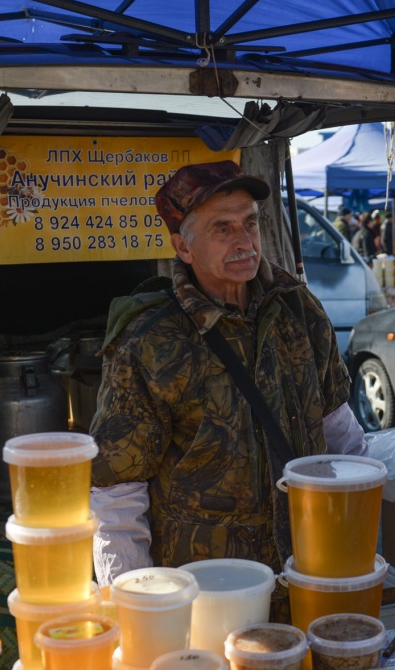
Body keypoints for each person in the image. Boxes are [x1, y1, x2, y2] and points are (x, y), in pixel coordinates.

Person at [88, 160, 367, 595]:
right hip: (207, 588)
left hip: (307, 570)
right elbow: (117, 495)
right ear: (184, 248)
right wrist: (136, 609)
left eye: (250, 224)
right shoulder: (149, 339)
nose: (244, 242)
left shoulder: (298, 309)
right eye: (223, 229)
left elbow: (339, 430)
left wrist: (356, 537)